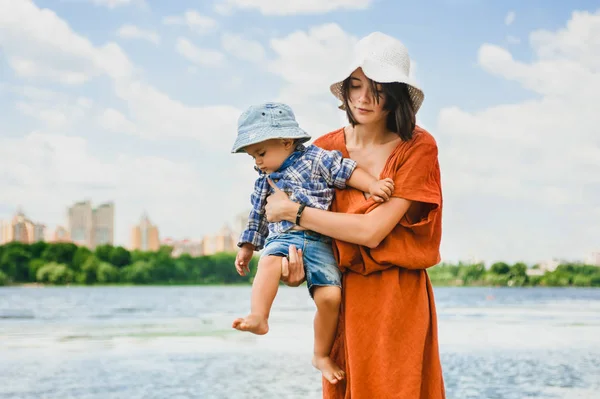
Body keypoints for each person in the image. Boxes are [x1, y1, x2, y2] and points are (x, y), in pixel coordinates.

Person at [263, 32, 446, 398]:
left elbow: (372, 232)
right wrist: (293, 268)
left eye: (377, 88)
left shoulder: (417, 146)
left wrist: (295, 212)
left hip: (398, 297)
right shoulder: (322, 150)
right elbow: (298, 235)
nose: (363, 98)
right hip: (339, 294)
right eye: (356, 85)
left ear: (395, 94)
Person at [230, 102, 395, 384]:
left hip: (321, 240)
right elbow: (257, 216)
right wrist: (247, 247)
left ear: (286, 141)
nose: (257, 162)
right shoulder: (263, 181)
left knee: (331, 298)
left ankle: (320, 354)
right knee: (268, 263)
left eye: (260, 153)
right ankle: (259, 316)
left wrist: (372, 186)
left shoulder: (318, 159)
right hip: (283, 238)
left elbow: (347, 171)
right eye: (252, 157)